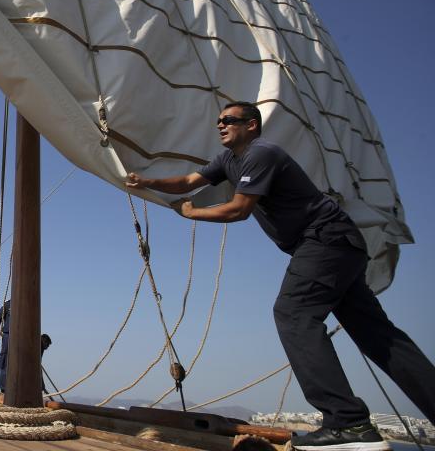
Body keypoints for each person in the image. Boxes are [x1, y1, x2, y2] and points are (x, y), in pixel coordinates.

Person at [126, 101, 435, 451]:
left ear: (252, 125)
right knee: (379, 337)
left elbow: (240, 209)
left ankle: (348, 423)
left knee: (294, 313)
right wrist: (146, 180)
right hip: (340, 245)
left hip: (325, 240)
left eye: (229, 120)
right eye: (218, 121)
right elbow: (186, 181)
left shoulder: (262, 154)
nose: (221, 125)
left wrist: (193, 212)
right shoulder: (228, 160)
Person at [0, 300, 10, 392]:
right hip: (8, 336)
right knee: (4, 361)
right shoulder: (7, 304)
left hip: (23, 337)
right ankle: (4, 389)